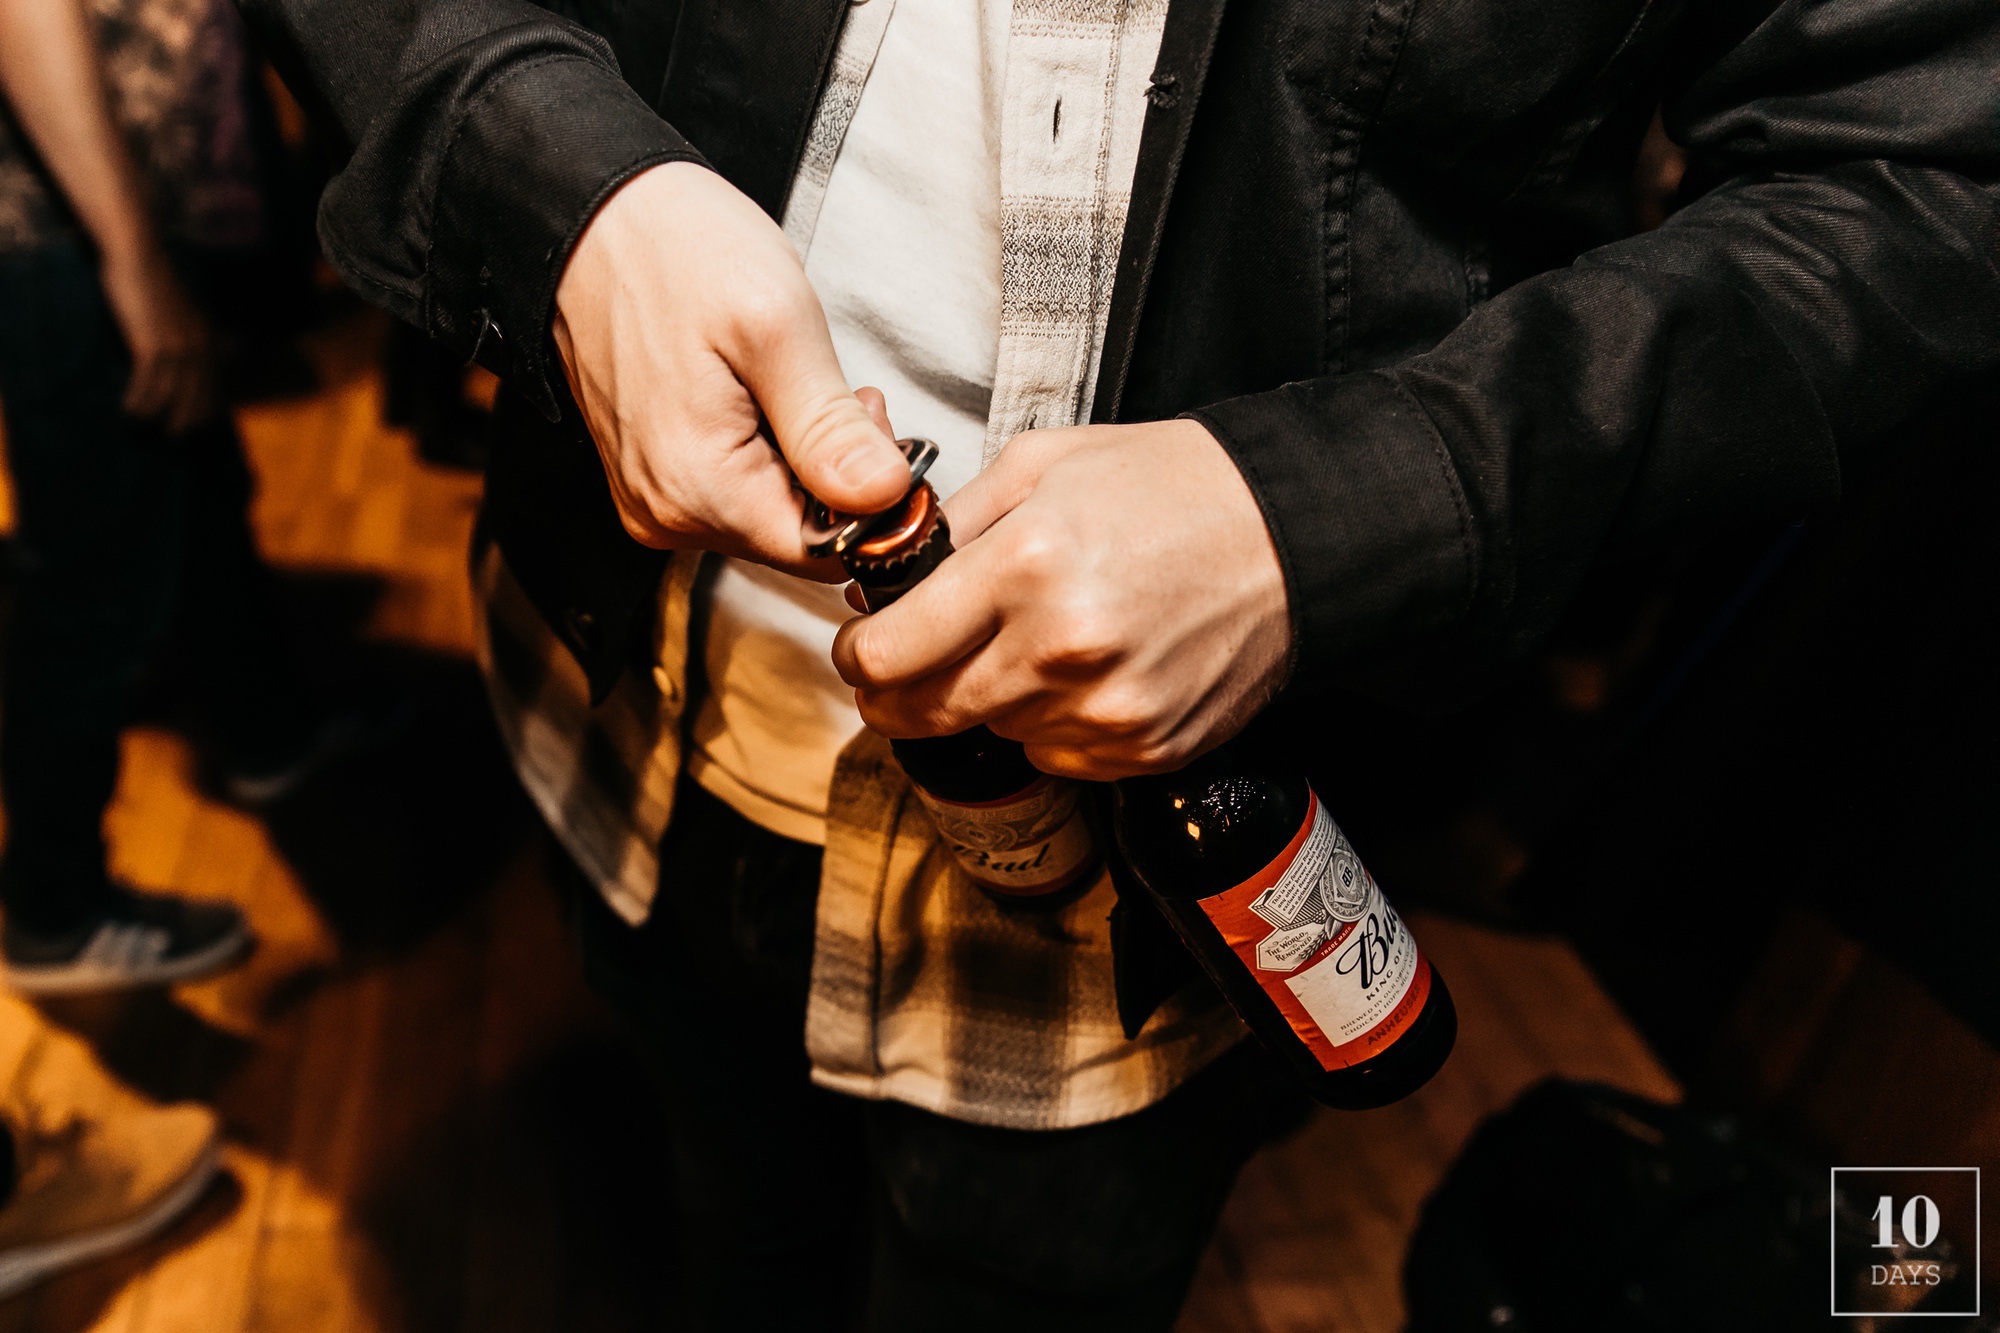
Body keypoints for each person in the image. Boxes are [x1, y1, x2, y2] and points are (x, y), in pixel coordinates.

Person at [236, 0, 2000, 1327]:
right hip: (622, 714)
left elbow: (1927, 174)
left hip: (1143, 940)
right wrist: (556, 174)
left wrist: (1337, 508)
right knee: (720, 1223)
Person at [0, 0, 362, 994]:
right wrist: (135, 262)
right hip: (57, 230)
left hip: (118, 204)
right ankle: (53, 906)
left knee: (194, 477)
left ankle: (266, 728)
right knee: (90, 581)